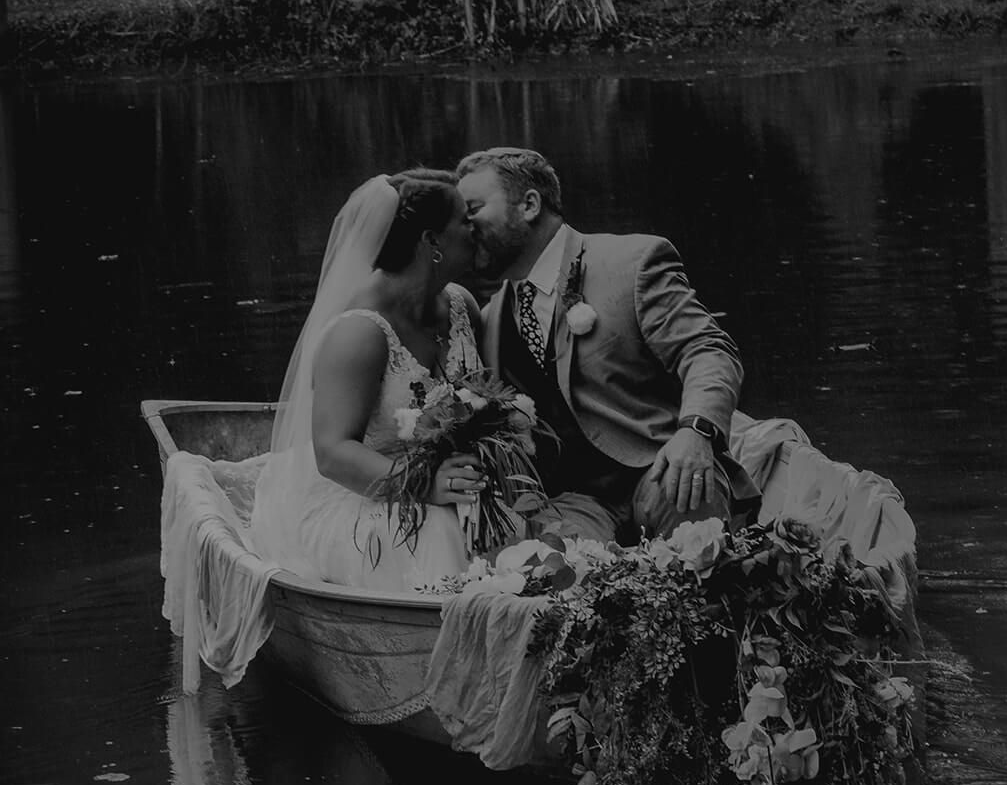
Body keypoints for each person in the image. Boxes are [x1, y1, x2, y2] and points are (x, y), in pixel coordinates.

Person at [456, 146, 759, 544]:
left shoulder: (631, 262)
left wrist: (696, 432)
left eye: (474, 209)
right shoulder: (491, 316)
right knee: (554, 561)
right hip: (575, 500)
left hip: (658, 467)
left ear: (529, 204)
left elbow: (707, 351)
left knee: (687, 493)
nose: (465, 227)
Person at [249, 168, 488, 591]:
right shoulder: (359, 333)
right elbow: (333, 454)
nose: (477, 229)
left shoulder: (461, 305)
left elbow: (487, 400)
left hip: (453, 484)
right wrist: (425, 485)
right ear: (432, 242)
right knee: (438, 532)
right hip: (363, 496)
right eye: (465, 222)